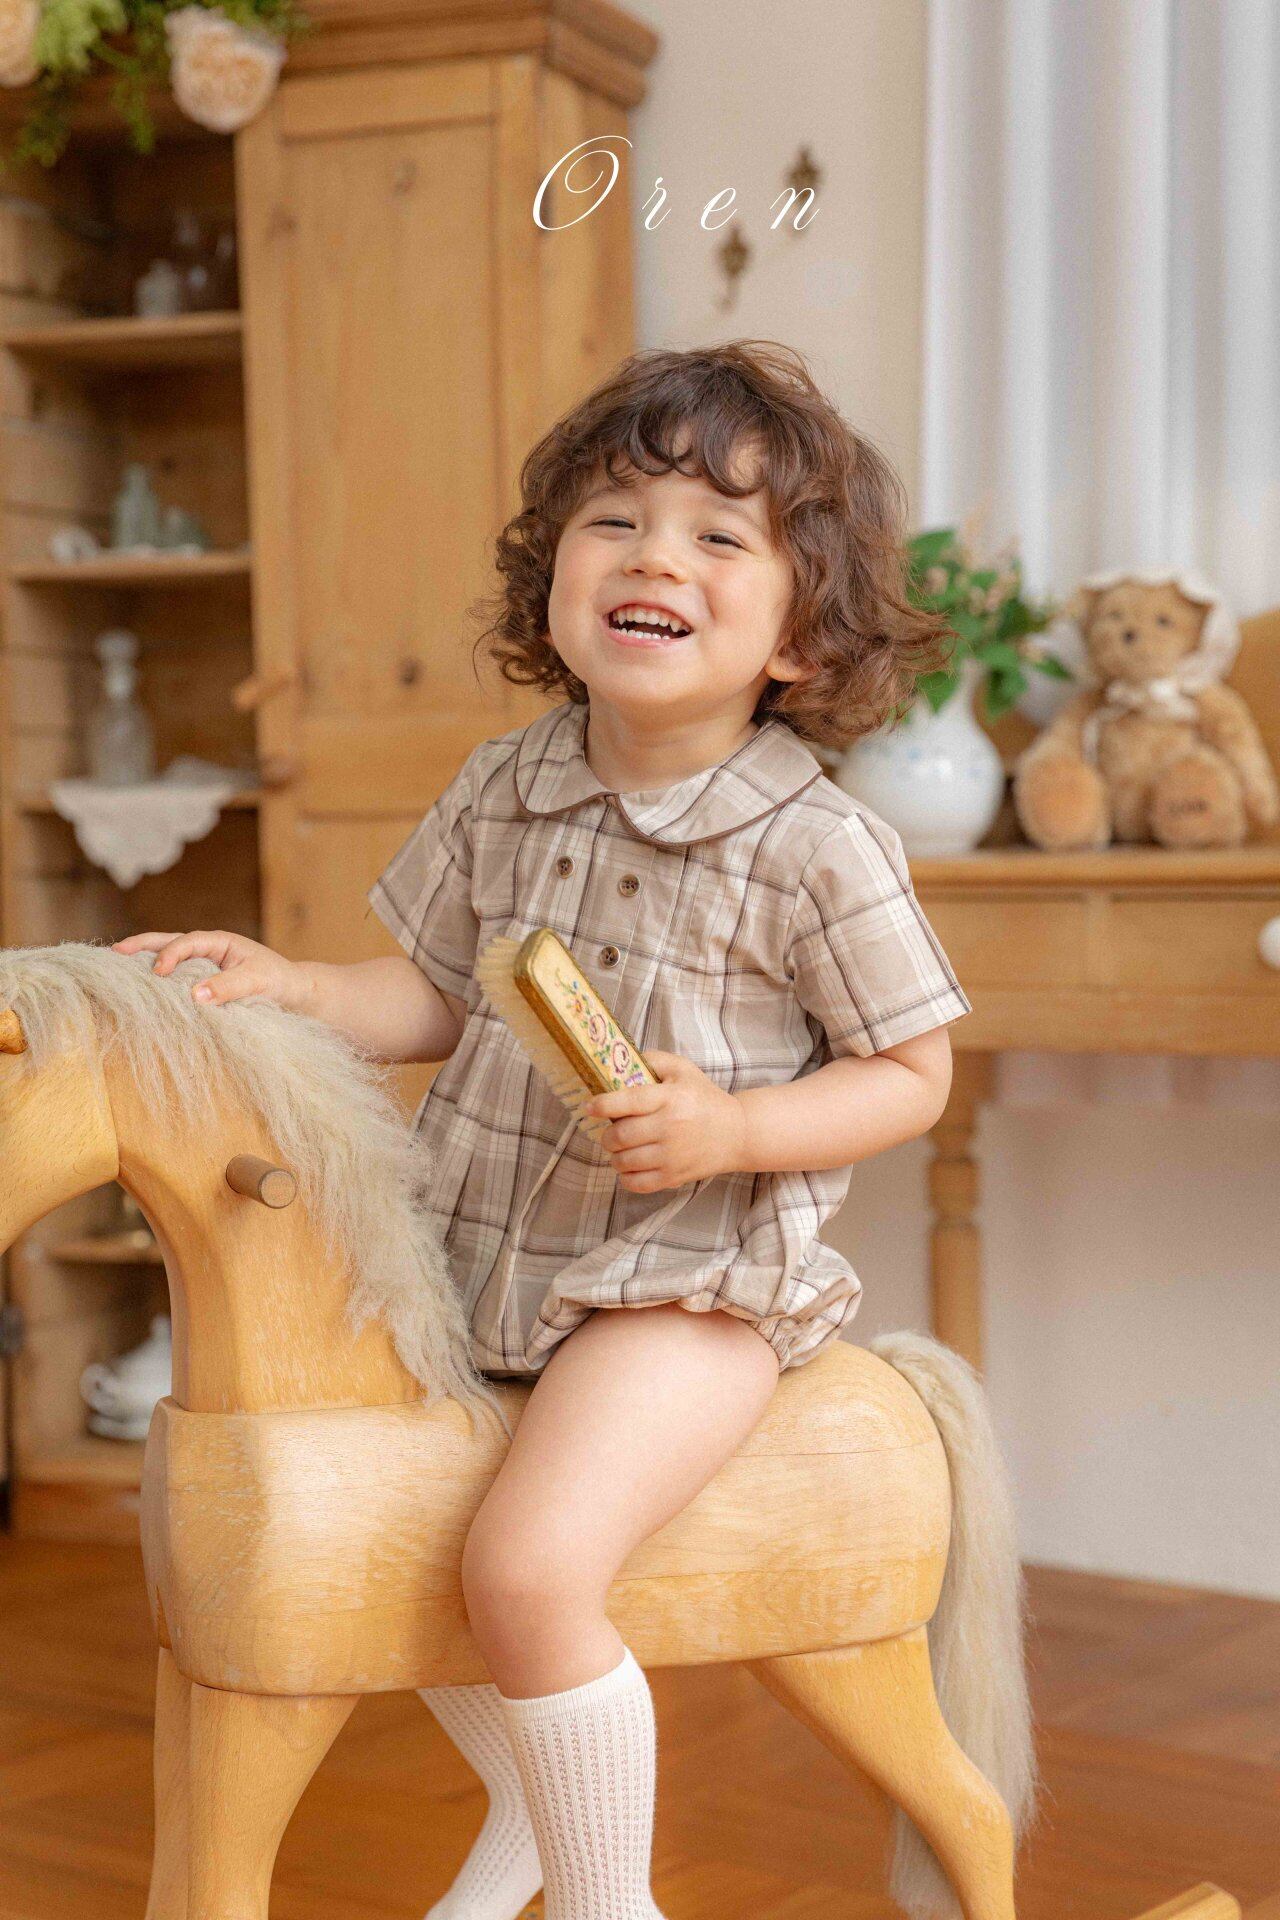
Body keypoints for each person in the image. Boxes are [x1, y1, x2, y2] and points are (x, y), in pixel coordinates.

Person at [114, 340, 972, 1920]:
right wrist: (290, 985)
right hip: (483, 1253)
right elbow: (434, 995)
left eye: (719, 537)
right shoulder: (504, 785)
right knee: (402, 1556)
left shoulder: (819, 844)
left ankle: (605, 1903)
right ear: (556, 580)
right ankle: (532, 1812)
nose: (656, 557)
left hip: (682, 1288)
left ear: (801, 636)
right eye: (615, 520)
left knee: (525, 1569)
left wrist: (733, 1129)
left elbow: (912, 1074)